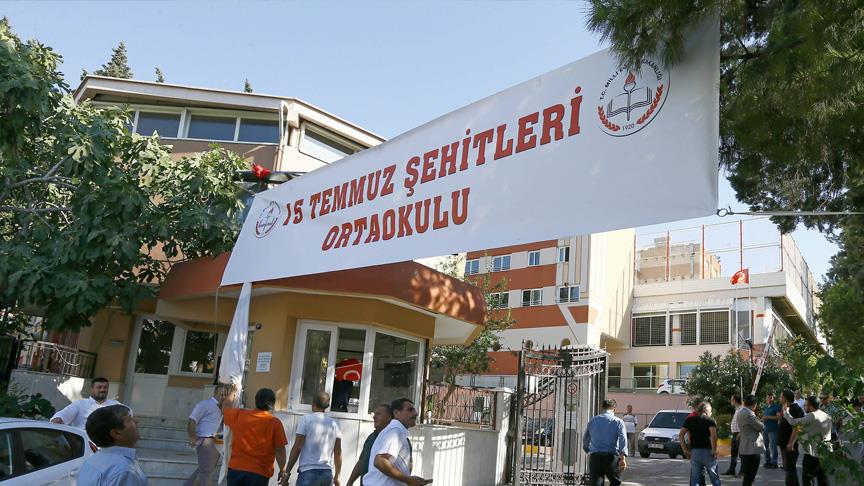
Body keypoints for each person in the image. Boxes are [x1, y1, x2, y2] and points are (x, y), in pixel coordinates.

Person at [222, 388, 289, 486]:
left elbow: (224, 409)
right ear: (273, 404)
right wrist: (282, 470)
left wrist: (233, 391)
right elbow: (280, 449)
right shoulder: (275, 423)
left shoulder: (239, 415)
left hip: (236, 469)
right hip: (259, 473)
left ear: (256, 401)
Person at [363, 398, 430, 486]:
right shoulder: (395, 431)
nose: (416, 413)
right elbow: (380, 461)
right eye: (410, 410)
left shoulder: (397, 431)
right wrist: (407, 480)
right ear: (396, 413)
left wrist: (410, 480)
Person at [79, 404, 147, 485]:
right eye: (129, 419)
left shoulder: (92, 460)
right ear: (116, 433)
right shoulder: (124, 471)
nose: (136, 421)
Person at [285, 391, 342, 486]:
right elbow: (338, 452)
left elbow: (297, 447)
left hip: (308, 473)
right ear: (327, 406)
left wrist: (287, 471)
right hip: (327, 474)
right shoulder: (335, 424)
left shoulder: (305, 419)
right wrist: (337, 475)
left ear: (313, 403)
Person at [185, 384, 229, 486]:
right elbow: (192, 420)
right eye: (221, 394)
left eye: (225, 395)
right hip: (208, 439)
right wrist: (192, 437)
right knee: (206, 472)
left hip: (219, 439)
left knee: (204, 470)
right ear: (215, 393)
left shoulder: (224, 408)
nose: (223, 397)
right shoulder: (205, 404)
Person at [784, 396, 832, 486]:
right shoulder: (825, 415)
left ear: (811, 406)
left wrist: (786, 413)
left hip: (813, 453)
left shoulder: (812, 415)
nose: (804, 407)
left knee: (808, 479)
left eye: (805, 405)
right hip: (825, 452)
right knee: (823, 479)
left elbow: (794, 422)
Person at [50, 377, 126, 429]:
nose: (102, 390)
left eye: (105, 387)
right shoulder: (80, 404)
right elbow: (63, 415)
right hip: (83, 442)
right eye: (99, 387)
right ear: (92, 389)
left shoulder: (115, 405)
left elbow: (128, 413)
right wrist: (59, 419)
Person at [582, 398, 627, 486]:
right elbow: (623, 440)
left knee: (596, 483)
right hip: (611, 458)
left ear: (602, 407)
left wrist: (588, 450)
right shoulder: (618, 422)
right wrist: (623, 458)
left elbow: (586, 439)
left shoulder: (593, 420)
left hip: (595, 457)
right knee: (615, 482)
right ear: (614, 409)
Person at [348, 403, 392, 486]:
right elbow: (362, 461)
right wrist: (350, 482)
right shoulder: (371, 437)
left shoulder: (394, 438)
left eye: (378, 414)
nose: (374, 417)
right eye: (374, 414)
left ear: (389, 417)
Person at [679, 401, 721, 486]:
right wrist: (714, 449)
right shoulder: (710, 420)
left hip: (695, 452)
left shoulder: (690, 420)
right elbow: (713, 435)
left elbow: (681, 435)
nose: (711, 413)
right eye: (710, 411)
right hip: (708, 452)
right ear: (706, 411)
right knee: (714, 478)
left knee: (695, 479)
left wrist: (685, 450)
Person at [737, 394, 765, 486]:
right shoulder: (749, 414)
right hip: (752, 448)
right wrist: (761, 421)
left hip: (745, 446)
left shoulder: (740, 412)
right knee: (750, 475)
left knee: (748, 475)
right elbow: (761, 427)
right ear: (754, 404)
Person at [779, 390, 805, 486]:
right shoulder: (786, 408)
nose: (779, 398)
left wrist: (791, 443)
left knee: (790, 469)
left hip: (790, 445)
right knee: (788, 469)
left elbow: (798, 428)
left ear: (785, 398)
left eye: (781, 396)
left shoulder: (796, 409)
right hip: (784, 443)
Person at [722, 394, 743, 476]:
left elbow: (744, 422)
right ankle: (731, 470)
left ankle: (743, 471)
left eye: (731, 400)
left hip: (739, 434)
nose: (730, 401)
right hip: (735, 434)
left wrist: (741, 432)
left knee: (742, 454)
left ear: (734, 400)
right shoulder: (737, 409)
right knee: (733, 453)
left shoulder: (741, 409)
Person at [762, 392, 781, 468]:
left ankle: (774, 462)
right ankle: (768, 461)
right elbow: (765, 417)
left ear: (773, 398)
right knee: (765, 446)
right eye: (767, 398)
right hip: (765, 429)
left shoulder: (776, 406)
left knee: (773, 446)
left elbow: (779, 417)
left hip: (773, 430)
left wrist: (768, 417)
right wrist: (761, 419)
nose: (769, 399)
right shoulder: (766, 407)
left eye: (771, 398)